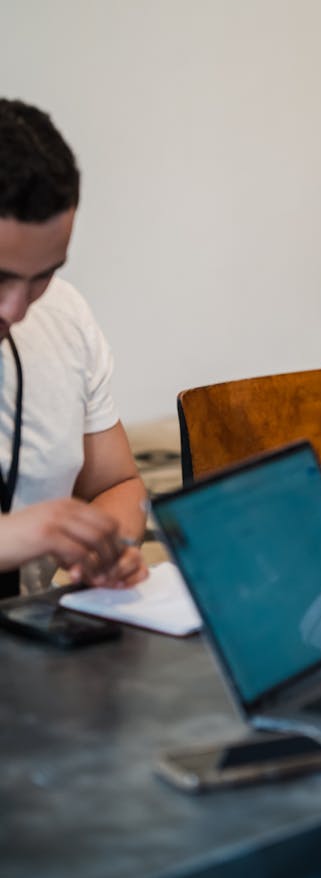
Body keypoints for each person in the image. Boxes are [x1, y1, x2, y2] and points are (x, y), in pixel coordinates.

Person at [0, 99, 147, 596]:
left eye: (43, 275)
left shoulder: (62, 315)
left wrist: (110, 546)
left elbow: (116, 486)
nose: (17, 310)